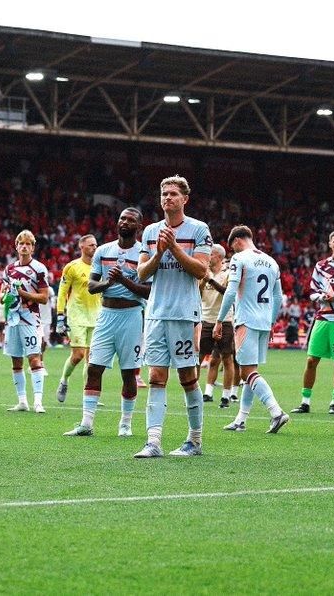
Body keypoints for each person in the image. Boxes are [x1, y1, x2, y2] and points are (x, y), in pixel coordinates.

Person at [133, 175, 212, 459]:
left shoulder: (199, 229)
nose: (167, 198)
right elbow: (141, 272)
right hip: (156, 313)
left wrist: (175, 248)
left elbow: (202, 270)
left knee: (188, 376)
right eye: (164, 193)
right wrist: (159, 254)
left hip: (184, 313)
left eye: (173, 194)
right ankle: (153, 441)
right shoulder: (151, 231)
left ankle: (195, 439)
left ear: (185, 199)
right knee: (156, 376)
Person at [63, 207, 150, 438]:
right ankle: (86, 423)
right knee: (94, 368)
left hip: (131, 315)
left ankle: (125, 423)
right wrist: (109, 283)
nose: (125, 222)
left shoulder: (144, 253)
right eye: (122, 218)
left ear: (139, 226)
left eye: (131, 220)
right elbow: (92, 286)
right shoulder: (103, 250)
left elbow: (148, 291)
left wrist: (123, 279)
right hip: (106, 314)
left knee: (129, 372)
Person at [215, 225, 291, 435]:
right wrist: (272, 321)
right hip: (264, 321)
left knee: (248, 372)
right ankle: (241, 419)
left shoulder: (240, 259)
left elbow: (231, 291)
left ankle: (276, 412)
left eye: (233, 247)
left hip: (246, 320)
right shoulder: (272, 262)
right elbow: (277, 297)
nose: (234, 251)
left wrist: (220, 320)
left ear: (237, 241)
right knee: (250, 372)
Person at [292, 230, 334, 415]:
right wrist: (322, 296)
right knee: (311, 360)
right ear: (330, 244)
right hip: (322, 318)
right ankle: (305, 402)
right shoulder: (321, 266)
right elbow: (313, 291)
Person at [0, 230, 51, 413]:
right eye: (21, 243)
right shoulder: (9, 269)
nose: (24, 246)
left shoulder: (39, 268)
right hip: (12, 319)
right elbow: (2, 293)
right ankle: (22, 401)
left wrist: (22, 293)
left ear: (33, 247)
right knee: (16, 361)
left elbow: (44, 298)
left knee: (34, 359)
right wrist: (4, 297)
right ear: (16, 246)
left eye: (28, 244)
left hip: (30, 318)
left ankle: (38, 401)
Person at [55, 234, 101, 402]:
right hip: (77, 316)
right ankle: (64, 380)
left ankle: (88, 393)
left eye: (95, 245)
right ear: (81, 247)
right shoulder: (72, 267)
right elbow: (61, 292)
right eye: (90, 245)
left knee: (92, 359)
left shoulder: (100, 267)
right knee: (78, 355)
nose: (94, 247)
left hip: (96, 317)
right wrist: (60, 316)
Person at [199, 244, 236, 407]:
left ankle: (226, 396)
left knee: (227, 359)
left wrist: (210, 280)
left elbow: (227, 293)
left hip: (225, 321)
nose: (209, 257)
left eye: (211, 254)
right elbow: (198, 295)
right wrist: (201, 283)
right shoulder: (203, 274)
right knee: (199, 358)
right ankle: (201, 393)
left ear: (219, 257)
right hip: (205, 319)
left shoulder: (228, 273)